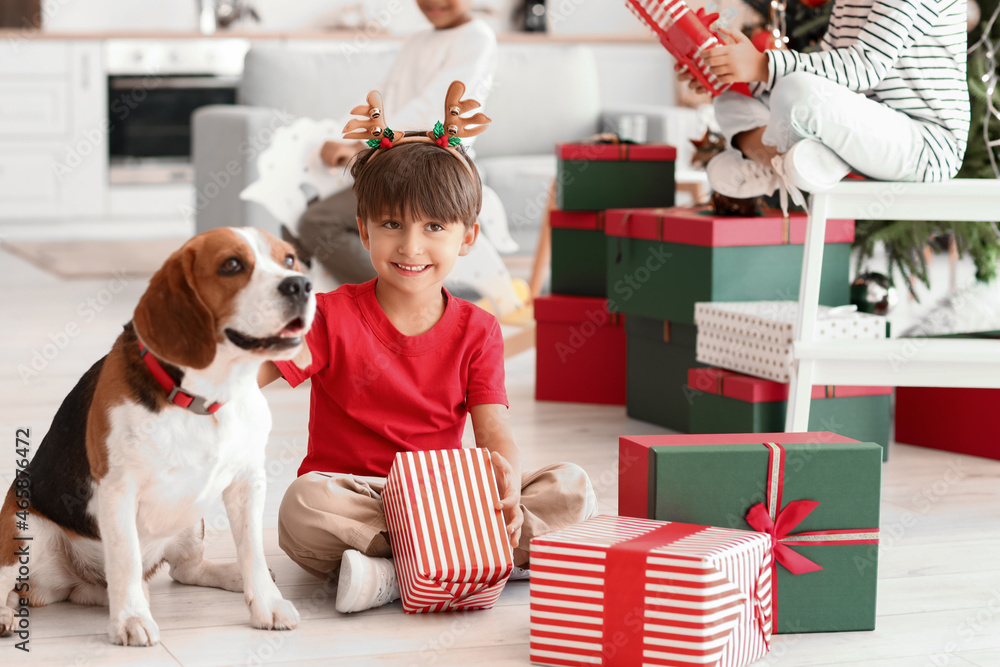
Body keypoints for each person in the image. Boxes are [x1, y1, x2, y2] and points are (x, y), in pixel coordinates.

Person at [259, 127, 597, 614]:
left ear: (469, 236)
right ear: (364, 230)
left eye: (434, 227)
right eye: (392, 225)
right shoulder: (329, 315)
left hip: (444, 499)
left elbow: (494, 432)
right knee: (303, 505)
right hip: (363, 498)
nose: (411, 246)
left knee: (573, 487)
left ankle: (398, 573)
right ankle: (463, 563)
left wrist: (505, 487)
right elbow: (250, 374)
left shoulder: (477, 328)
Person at [285, 0, 498, 285]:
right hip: (390, 161)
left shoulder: (476, 38)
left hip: (428, 166)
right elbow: (382, 97)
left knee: (318, 222)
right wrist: (341, 136)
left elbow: (433, 107)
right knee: (296, 214)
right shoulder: (418, 41)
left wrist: (360, 147)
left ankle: (401, 293)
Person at [683, 1, 970, 205]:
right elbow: (832, 74)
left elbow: (865, 67)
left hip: (925, 144)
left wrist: (761, 66)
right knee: (728, 100)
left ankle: (788, 161)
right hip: (864, 126)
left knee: (796, 91)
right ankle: (787, 164)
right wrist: (734, 75)